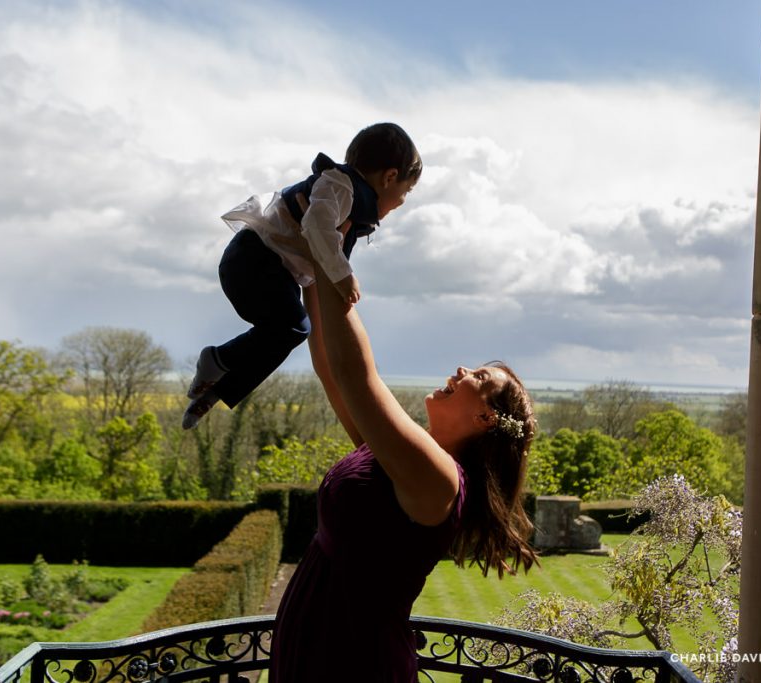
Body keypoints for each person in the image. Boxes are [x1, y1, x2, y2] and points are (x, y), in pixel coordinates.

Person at [267, 241, 539, 682]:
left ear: (485, 417)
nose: (461, 370)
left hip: (356, 665)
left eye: (479, 377)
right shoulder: (398, 453)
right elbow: (335, 374)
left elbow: (358, 376)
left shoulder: (438, 478)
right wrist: (312, 273)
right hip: (317, 658)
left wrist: (326, 251)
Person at [182, 122, 422, 429]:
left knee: (291, 332)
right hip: (252, 261)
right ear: (390, 177)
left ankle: (216, 390)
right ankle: (217, 360)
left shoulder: (347, 205)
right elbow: (316, 226)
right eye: (406, 191)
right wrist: (342, 275)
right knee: (293, 329)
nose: (403, 201)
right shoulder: (340, 186)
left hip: (268, 269)